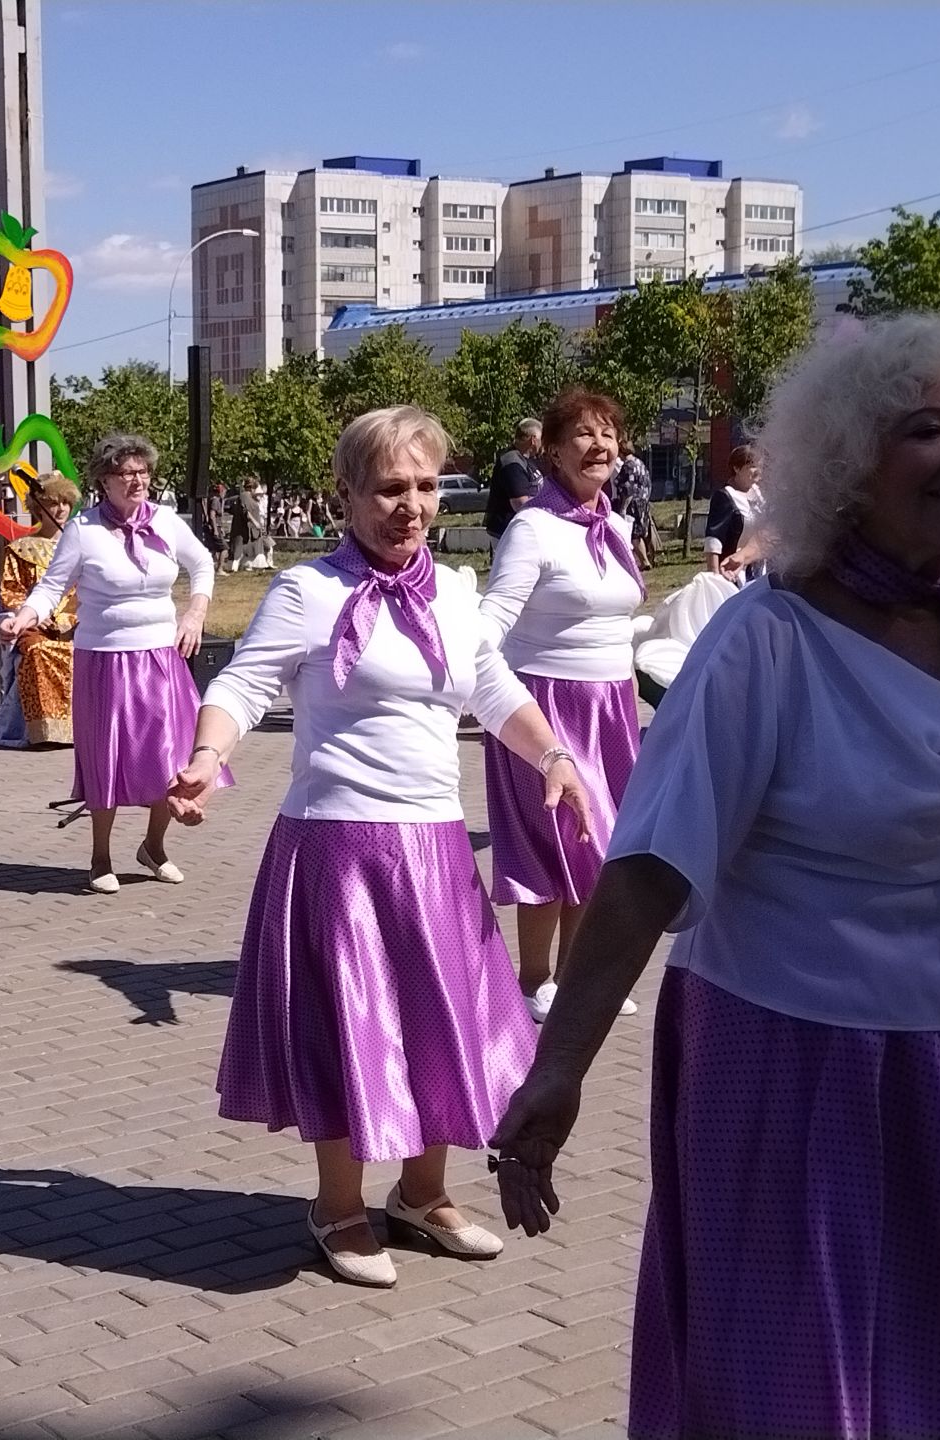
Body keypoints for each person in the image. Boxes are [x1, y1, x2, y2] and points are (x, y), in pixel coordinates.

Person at [492, 314, 940, 1440]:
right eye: (928, 429)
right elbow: (646, 872)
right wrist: (558, 1072)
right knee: (795, 1376)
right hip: (792, 1058)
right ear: (847, 460)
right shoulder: (764, 643)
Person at [168, 407, 591, 1287]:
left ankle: (423, 1196)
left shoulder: (456, 590)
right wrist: (207, 756)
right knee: (346, 1027)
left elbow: (490, 685)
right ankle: (338, 1206)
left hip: (434, 845)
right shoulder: (307, 591)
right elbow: (243, 685)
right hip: (337, 847)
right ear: (347, 495)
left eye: (426, 486)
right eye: (390, 488)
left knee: (443, 1022)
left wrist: (551, 753)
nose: (411, 506)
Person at [479, 389, 645, 1022]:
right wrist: (464, 683)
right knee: (548, 841)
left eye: (607, 434)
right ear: (552, 448)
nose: (599, 445)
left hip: (612, 705)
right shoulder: (532, 527)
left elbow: (614, 614)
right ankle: (532, 979)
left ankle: (580, 980)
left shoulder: (616, 526)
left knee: (600, 844)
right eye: (582, 434)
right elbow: (494, 622)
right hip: (546, 704)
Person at [1, 433, 217, 893]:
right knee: (107, 760)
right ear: (105, 481)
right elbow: (51, 586)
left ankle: (154, 846)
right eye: (127, 473)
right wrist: (24, 617)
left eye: (143, 472)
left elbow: (203, 564)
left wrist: (195, 613)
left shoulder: (166, 521)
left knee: (169, 757)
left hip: (161, 655)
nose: (137, 481)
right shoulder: (84, 530)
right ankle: (101, 856)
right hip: (104, 661)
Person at [0, 471, 79, 749]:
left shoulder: (83, 544)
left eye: (65, 502)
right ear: (38, 508)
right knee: (38, 652)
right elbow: (10, 593)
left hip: (81, 628)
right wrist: (32, 618)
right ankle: (45, 731)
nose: (60, 509)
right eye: (53, 503)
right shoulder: (21, 549)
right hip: (36, 628)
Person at [703, 444, 764, 581]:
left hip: (759, 570)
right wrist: (715, 578)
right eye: (752, 467)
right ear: (736, 468)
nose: (758, 471)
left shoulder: (758, 494)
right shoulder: (725, 496)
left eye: (759, 466)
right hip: (733, 573)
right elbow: (713, 540)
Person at [484, 418, 544, 543]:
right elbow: (520, 503)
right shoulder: (512, 462)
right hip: (509, 535)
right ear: (533, 440)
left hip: (522, 531)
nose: (542, 444)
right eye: (541, 439)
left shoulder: (525, 460)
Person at [612, 436, 657, 570]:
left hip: (632, 504)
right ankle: (647, 558)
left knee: (633, 534)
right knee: (642, 532)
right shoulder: (640, 463)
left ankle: (644, 561)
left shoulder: (628, 466)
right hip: (643, 502)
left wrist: (623, 509)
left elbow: (628, 490)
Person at [229, 477, 272, 572]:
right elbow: (246, 512)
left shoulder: (249, 497)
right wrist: (255, 522)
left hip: (250, 530)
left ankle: (250, 565)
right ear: (252, 488)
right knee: (239, 549)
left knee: (251, 548)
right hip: (243, 528)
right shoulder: (244, 496)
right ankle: (235, 567)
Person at [199, 481, 229, 569]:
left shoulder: (215, 500)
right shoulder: (215, 501)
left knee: (213, 549)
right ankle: (220, 568)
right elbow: (212, 516)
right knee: (224, 548)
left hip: (217, 527)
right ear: (220, 491)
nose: (225, 494)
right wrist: (215, 529)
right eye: (224, 492)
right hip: (214, 528)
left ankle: (208, 566)